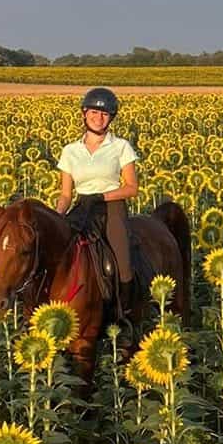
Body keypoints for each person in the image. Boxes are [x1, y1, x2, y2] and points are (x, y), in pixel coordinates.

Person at [57, 86, 139, 322]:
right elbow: (65, 194)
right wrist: (58, 214)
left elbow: (132, 187)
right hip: (82, 208)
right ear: (84, 114)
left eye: (104, 114)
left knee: (122, 262)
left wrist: (102, 196)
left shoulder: (121, 146)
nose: (98, 118)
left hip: (111, 206)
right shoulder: (70, 151)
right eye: (93, 112)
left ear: (111, 118)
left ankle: (125, 316)